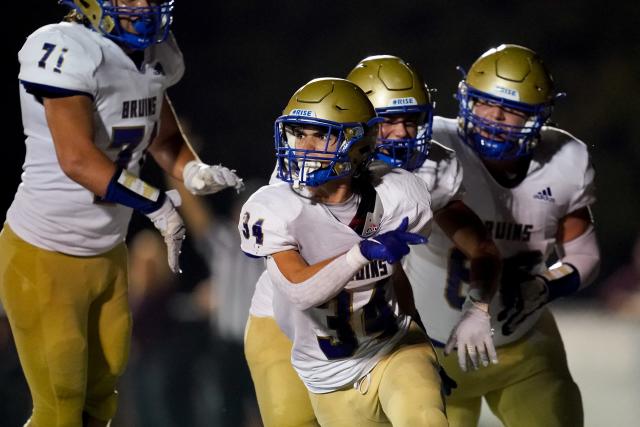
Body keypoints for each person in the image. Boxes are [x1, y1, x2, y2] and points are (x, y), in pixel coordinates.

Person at [0, 1, 243, 426]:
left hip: (107, 252)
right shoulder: (65, 48)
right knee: (60, 404)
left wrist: (193, 170)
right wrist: (156, 203)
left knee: (104, 391)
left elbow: (161, 137)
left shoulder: (153, 51)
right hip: (45, 252)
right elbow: (77, 159)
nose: (144, 6)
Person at [404, 44, 600, 426]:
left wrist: (545, 285)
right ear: (465, 99)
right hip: (430, 353)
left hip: (522, 346)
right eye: (483, 104)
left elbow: (584, 254)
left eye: (511, 110)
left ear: (538, 117)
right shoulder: (432, 148)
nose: (493, 117)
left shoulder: (566, 158)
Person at [240, 78, 448, 426]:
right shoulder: (277, 207)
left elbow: (393, 275)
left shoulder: (399, 193)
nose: (303, 146)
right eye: (298, 133)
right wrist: (361, 254)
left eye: (319, 135)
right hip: (325, 362)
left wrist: (423, 339)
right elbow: (300, 291)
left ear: (358, 144)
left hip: (390, 343)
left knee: (426, 417)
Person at [346, 55, 502, 372]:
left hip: (386, 321)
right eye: (388, 121)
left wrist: (478, 308)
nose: (403, 133)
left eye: (411, 119)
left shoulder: (433, 167)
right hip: (319, 317)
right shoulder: (317, 162)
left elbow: (483, 249)